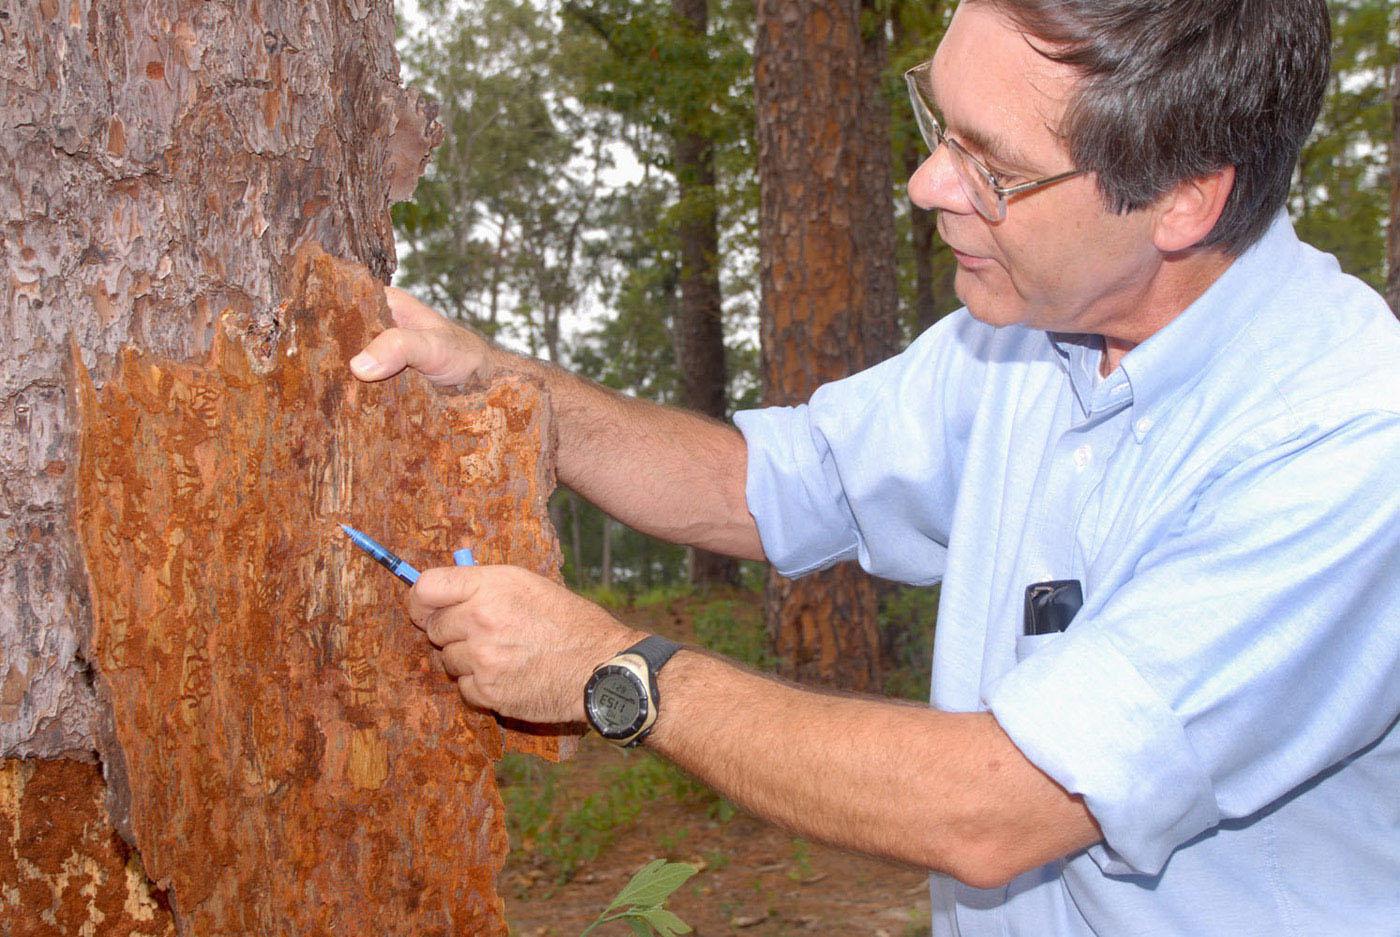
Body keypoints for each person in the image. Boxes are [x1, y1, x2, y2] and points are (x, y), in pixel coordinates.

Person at [350, 0, 1400, 932]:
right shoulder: (1021, 337)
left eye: (989, 165)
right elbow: (752, 484)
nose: (925, 182)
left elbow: (995, 804)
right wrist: (501, 388)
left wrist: (614, 671)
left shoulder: (1343, 442)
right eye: (935, 121)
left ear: (1182, 199)